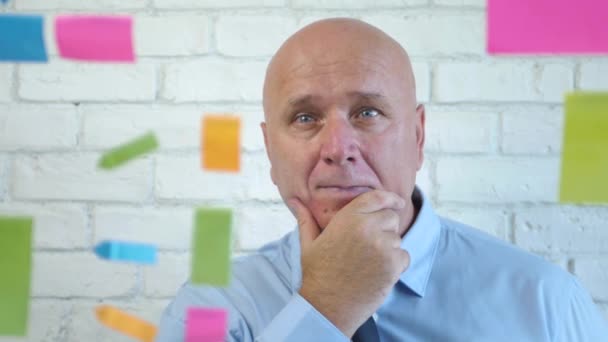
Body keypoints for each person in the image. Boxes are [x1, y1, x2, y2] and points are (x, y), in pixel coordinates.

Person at [156, 18, 608, 341]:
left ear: (418, 136)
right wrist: (327, 308)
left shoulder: (546, 300)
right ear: (271, 151)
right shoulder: (210, 309)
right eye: (305, 117)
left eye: (367, 112)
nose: (337, 146)